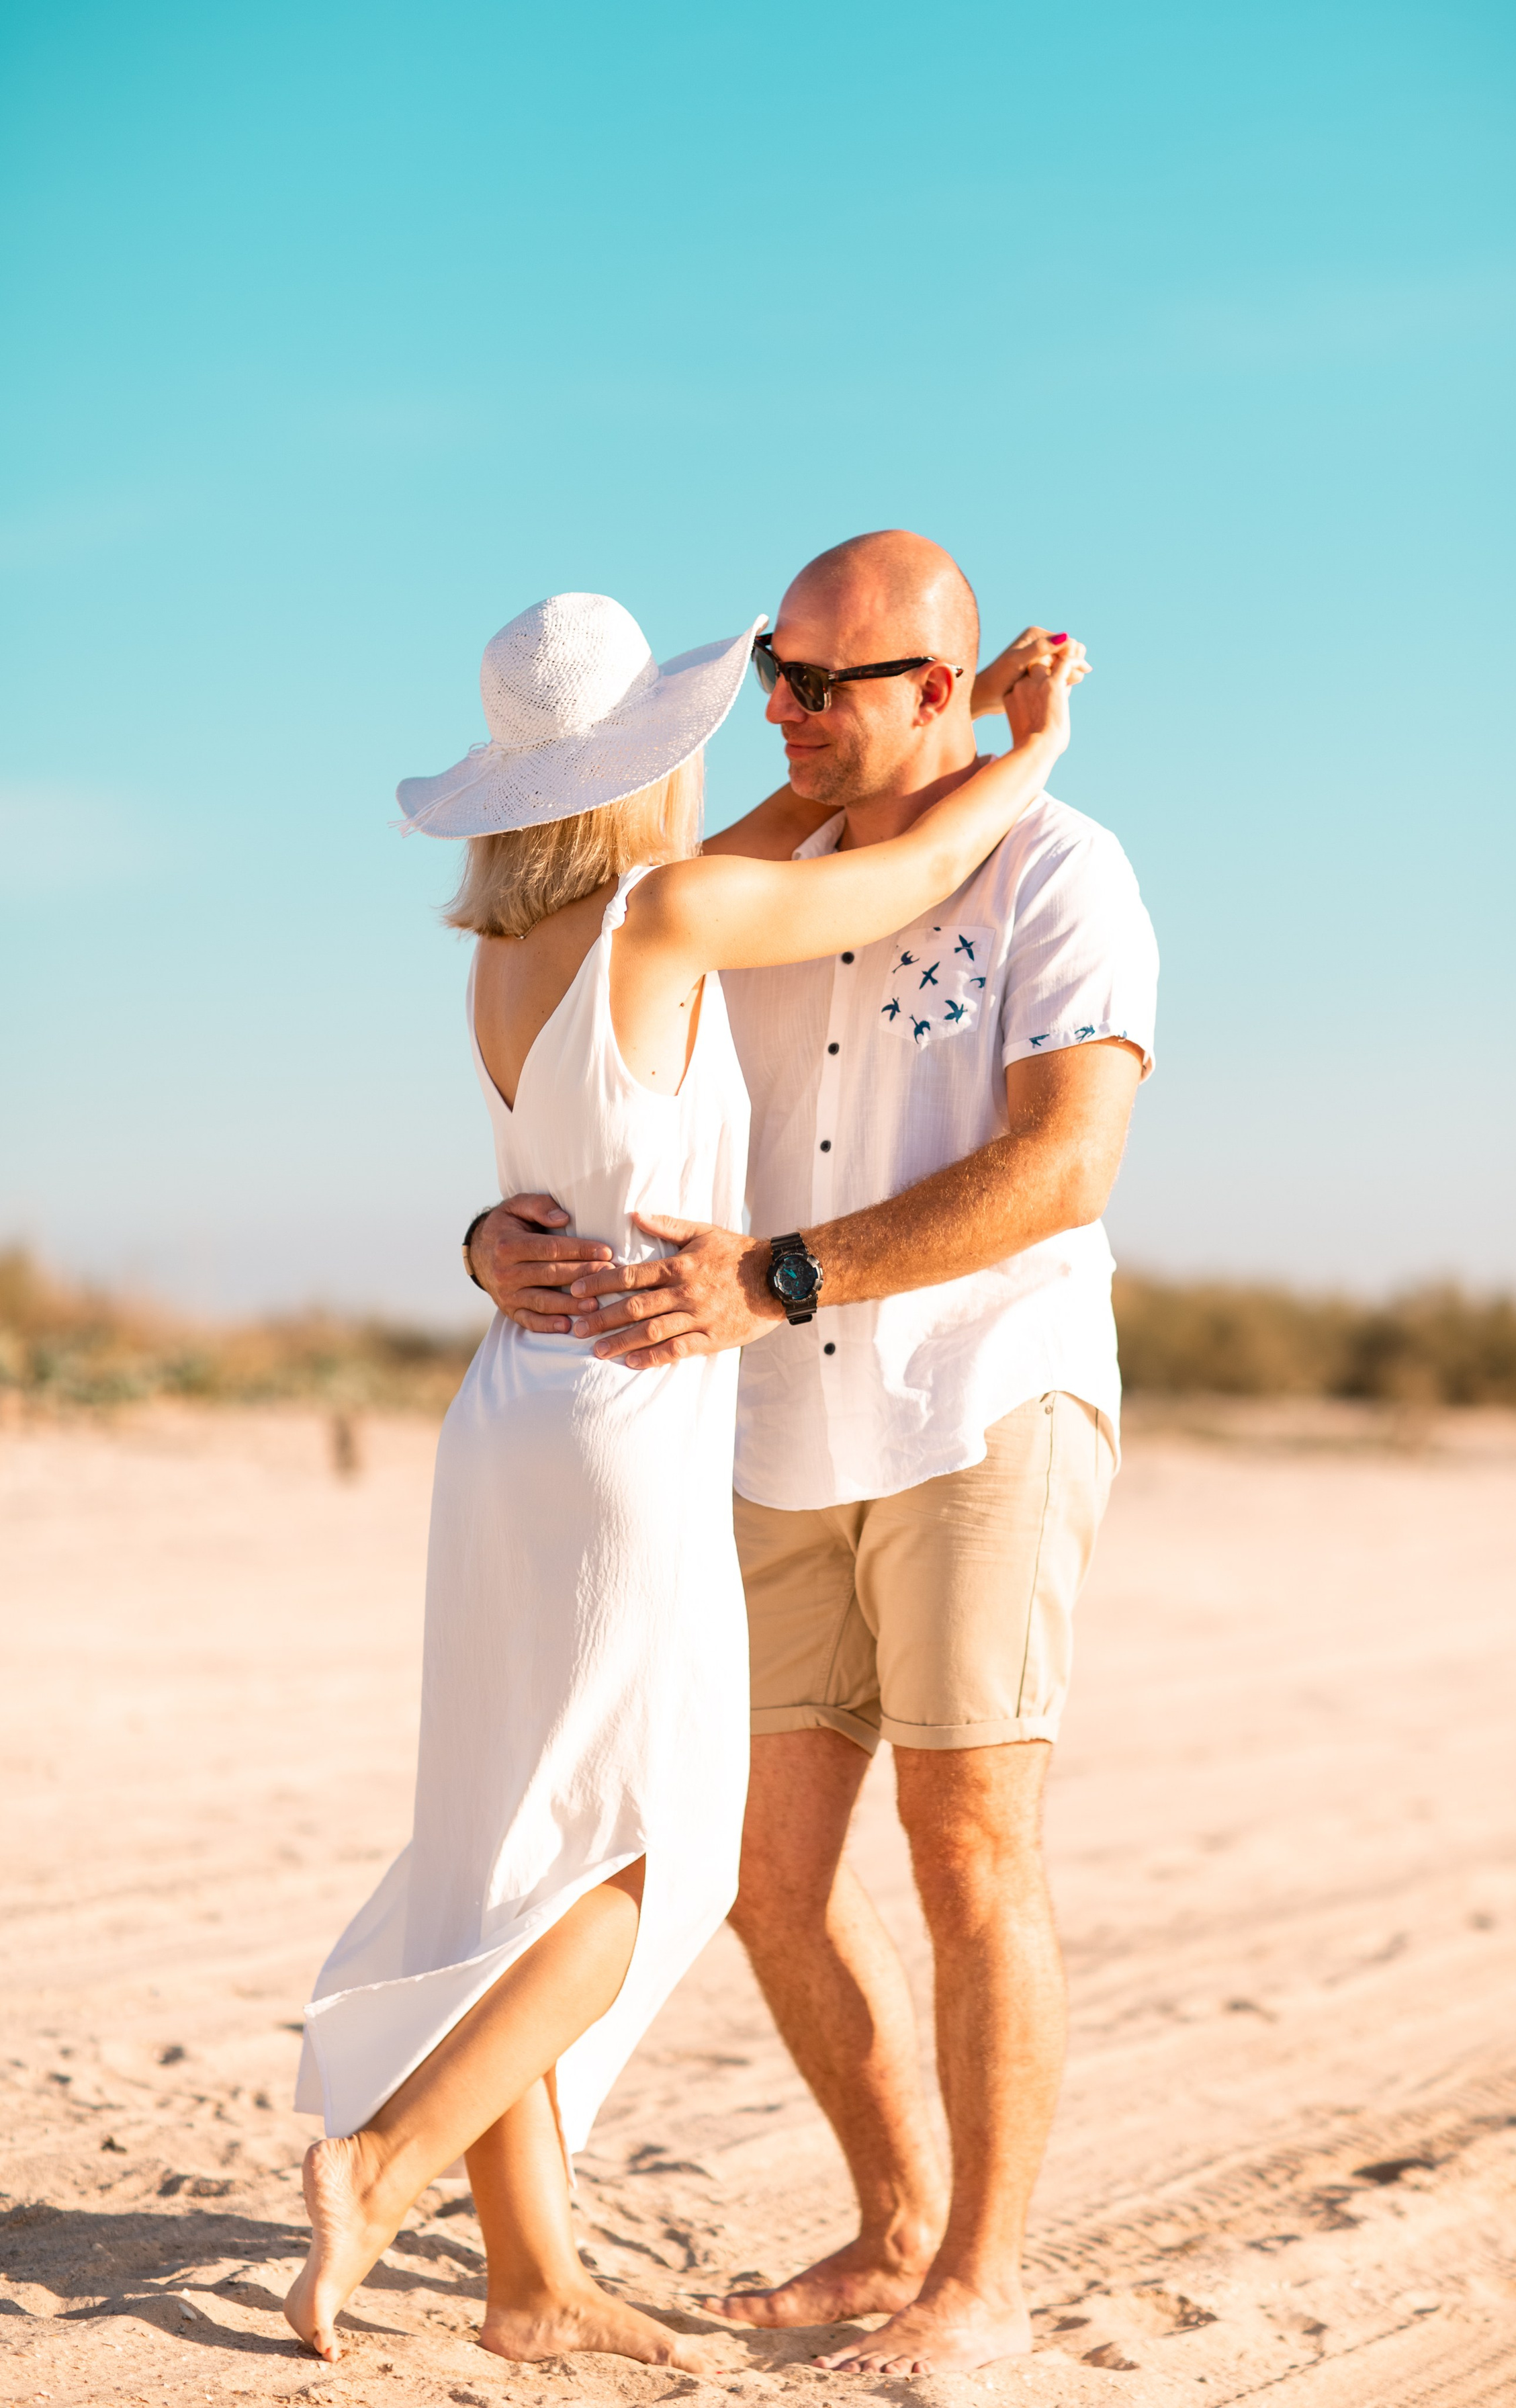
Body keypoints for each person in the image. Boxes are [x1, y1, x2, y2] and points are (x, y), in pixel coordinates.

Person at [283, 584, 1084, 2372]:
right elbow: (895, 868)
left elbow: (742, 869)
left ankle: (532, 2278)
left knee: (512, 1844)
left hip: (508, 1411)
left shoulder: (524, 942)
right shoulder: (672, 915)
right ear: (646, 765)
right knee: (658, 1849)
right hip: (630, 1418)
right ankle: (388, 2163)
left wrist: (484, 1244)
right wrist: (1028, 748)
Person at [466, 529, 1158, 2378]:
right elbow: (601, 1112)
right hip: (764, 1433)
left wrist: (784, 1274)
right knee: (767, 1878)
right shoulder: (743, 884)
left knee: (965, 1848)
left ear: (937, 689)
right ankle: (890, 2227)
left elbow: (1061, 1168)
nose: (782, 706)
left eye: (823, 682)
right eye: (775, 669)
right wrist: (490, 1238)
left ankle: (980, 2285)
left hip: (980, 1405)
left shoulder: (1061, 873)